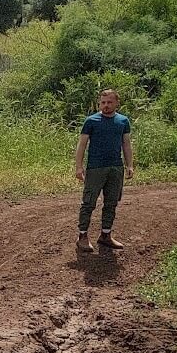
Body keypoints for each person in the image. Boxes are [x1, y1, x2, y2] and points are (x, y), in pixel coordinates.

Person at [74, 88, 135, 253]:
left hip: (116, 167)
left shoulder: (123, 121)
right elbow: (82, 145)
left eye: (109, 102)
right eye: (103, 102)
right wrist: (79, 167)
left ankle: (106, 235)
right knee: (88, 203)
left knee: (111, 202)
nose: (106, 105)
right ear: (99, 103)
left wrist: (130, 165)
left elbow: (126, 144)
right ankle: (82, 236)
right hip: (95, 168)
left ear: (116, 103)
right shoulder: (91, 121)